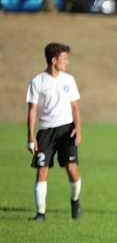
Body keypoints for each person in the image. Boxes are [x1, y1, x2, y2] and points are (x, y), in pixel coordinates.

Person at [26, 42, 83, 221]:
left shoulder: (69, 80)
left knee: (72, 169)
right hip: (45, 132)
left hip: (67, 130)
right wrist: (30, 137)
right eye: (64, 59)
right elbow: (32, 110)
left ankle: (75, 202)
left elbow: (75, 107)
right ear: (53, 60)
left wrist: (78, 129)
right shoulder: (37, 82)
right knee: (42, 171)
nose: (67, 62)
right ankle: (40, 213)